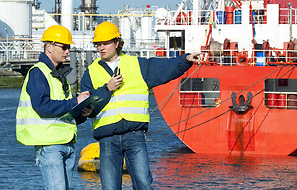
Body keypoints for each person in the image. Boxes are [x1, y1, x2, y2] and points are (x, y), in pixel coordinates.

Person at [81, 21, 201, 190]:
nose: (101, 47)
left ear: (116, 43)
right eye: (98, 44)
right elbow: (86, 105)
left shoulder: (137, 64)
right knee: (109, 187)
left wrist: (186, 59)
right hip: (107, 138)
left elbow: (164, 68)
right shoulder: (91, 72)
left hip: (134, 135)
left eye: (106, 43)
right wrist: (106, 90)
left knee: (144, 184)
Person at [16, 25, 93, 190]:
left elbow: (64, 112)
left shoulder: (59, 75)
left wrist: (82, 113)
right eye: (64, 47)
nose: (67, 51)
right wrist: (75, 101)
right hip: (50, 146)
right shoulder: (38, 73)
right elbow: (42, 107)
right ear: (49, 47)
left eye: (69, 48)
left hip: (66, 143)